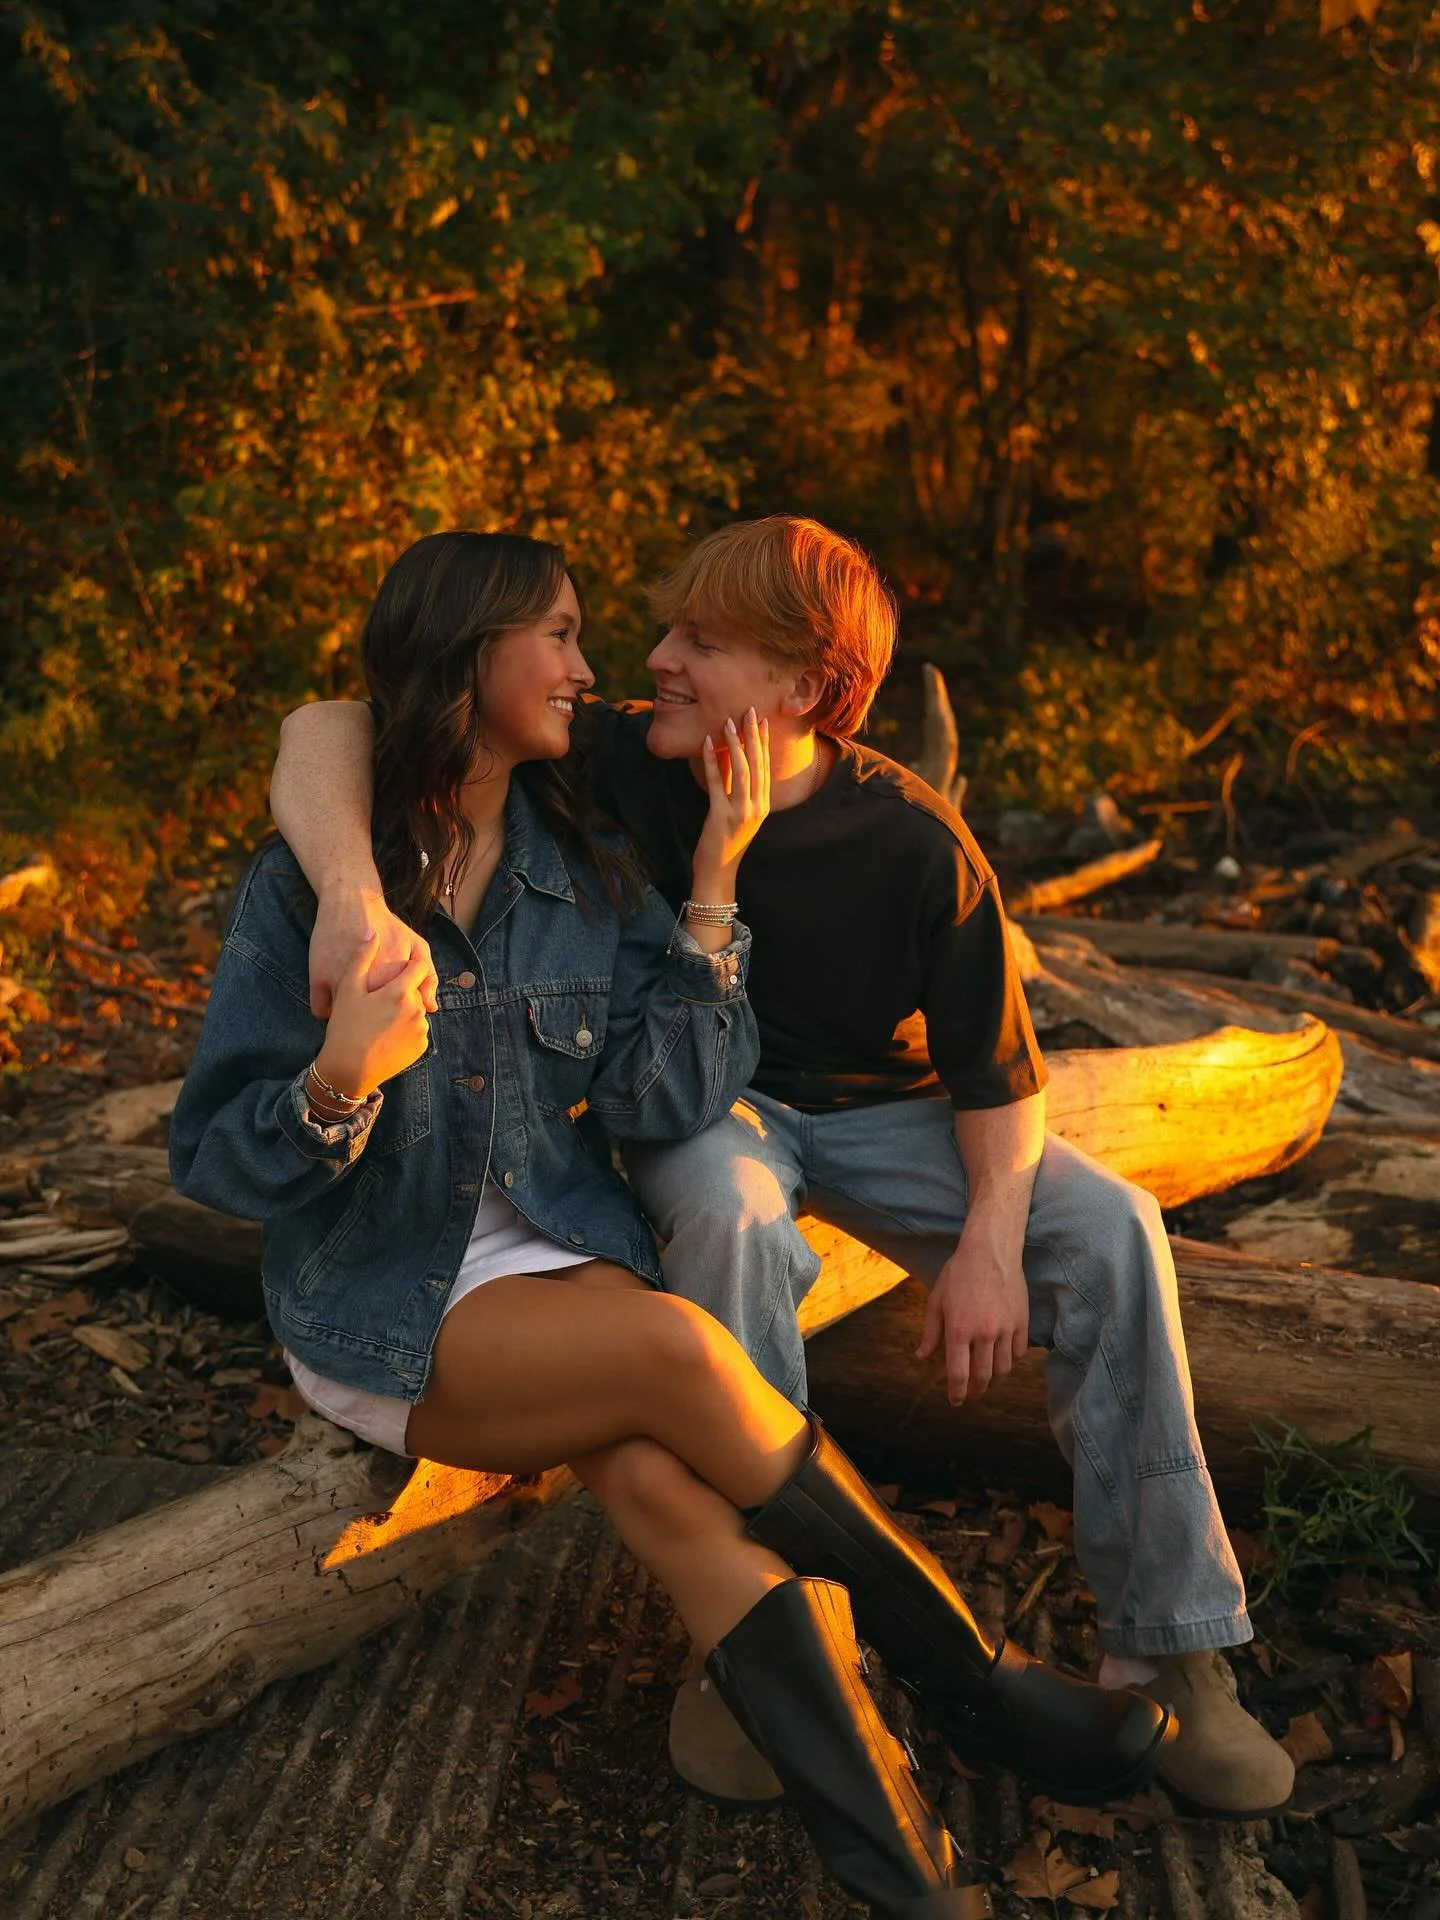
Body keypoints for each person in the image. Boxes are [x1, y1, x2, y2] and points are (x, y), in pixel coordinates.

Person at [175, 530, 1172, 1920]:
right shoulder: (305, 889)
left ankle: (915, 1880)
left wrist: (712, 885)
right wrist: (340, 1080)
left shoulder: (583, 859)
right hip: (393, 1297)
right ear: (476, 657)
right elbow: (217, 1163)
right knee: (684, 1359)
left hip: (556, 1265)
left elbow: (665, 1095)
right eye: (567, 637)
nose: (602, 670)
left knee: (669, 1495)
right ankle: (979, 1683)